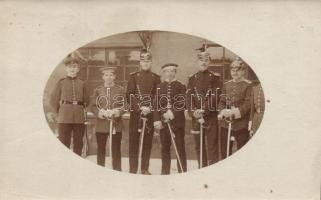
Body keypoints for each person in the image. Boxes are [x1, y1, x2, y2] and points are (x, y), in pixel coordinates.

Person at [126, 49, 161, 174]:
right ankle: (133, 169)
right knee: (133, 142)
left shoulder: (156, 78)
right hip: (136, 114)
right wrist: (140, 107)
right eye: (143, 60)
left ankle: (145, 169)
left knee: (147, 143)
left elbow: (158, 96)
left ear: (151, 62)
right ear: (140, 62)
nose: (146, 63)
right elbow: (129, 95)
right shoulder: (134, 77)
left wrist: (149, 108)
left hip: (150, 115)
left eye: (148, 60)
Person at [186, 45, 221, 168]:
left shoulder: (216, 77)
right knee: (198, 146)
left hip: (210, 116)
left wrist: (204, 110)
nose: (204, 62)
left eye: (206, 60)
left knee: (212, 145)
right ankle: (201, 168)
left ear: (209, 62)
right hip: (196, 117)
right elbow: (189, 97)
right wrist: (193, 111)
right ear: (197, 62)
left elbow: (216, 95)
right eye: (201, 60)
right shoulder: (192, 78)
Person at [49, 52, 90, 156]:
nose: (72, 69)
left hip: (79, 117)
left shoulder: (82, 83)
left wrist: (83, 110)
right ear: (66, 69)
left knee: (78, 143)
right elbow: (53, 100)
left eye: (75, 67)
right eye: (70, 67)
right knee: (64, 142)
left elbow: (87, 100)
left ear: (78, 69)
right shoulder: (61, 82)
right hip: (64, 117)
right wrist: (60, 111)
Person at [153, 63, 187, 175]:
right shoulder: (159, 87)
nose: (169, 73)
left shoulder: (181, 85)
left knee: (180, 148)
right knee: (165, 149)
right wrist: (157, 119)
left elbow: (182, 103)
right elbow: (156, 105)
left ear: (175, 72)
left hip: (177, 123)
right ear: (163, 73)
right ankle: (165, 173)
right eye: (167, 71)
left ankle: (182, 171)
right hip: (163, 123)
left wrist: (172, 113)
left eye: (172, 71)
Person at [89, 66, 125, 171]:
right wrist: (100, 112)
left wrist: (118, 111)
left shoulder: (120, 89)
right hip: (101, 124)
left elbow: (125, 105)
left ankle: (117, 170)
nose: (109, 77)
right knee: (101, 149)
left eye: (111, 75)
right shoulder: (98, 90)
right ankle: (101, 170)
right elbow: (93, 106)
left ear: (114, 76)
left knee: (116, 149)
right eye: (106, 75)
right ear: (103, 77)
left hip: (116, 124)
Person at [218, 57, 252, 159]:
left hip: (241, 124)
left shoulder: (248, 85)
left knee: (242, 152)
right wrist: (223, 112)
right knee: (225, 153)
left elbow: (247, 104)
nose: (235, 72)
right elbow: (222, 101)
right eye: (233, 70)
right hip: (226, 123)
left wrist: (235, 113)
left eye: (238, 70)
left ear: (243, 71)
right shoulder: (226, 85)